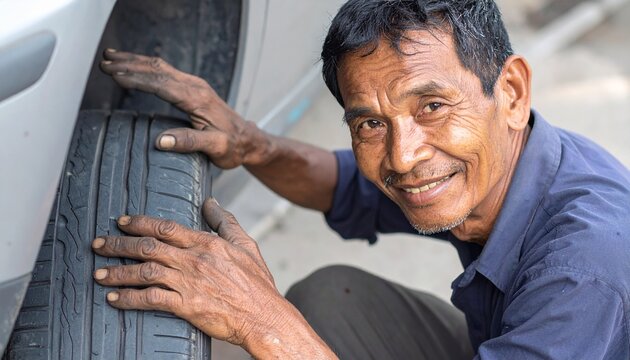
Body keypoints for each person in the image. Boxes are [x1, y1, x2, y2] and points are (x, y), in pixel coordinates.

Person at [92, 0, 630, 358]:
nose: (403, 156)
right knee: (332, 301)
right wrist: (249, 144)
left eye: (433, 106)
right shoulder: (491, 161)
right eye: (371, 123)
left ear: (510, 92)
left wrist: (265, 323)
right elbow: (345, 184)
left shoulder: (583, 272)